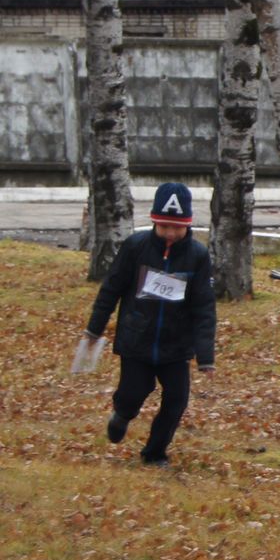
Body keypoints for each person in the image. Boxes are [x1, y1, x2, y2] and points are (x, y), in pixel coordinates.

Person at [83, 182, 217, 468]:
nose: (170, 233)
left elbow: (203, 306)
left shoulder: (197, 256)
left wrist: (205, 355)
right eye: (164, 226)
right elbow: (112, 289)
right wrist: (95, 328)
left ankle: (155, 452)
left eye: (177, 228)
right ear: (154, 222)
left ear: (188, 226)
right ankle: (122, 414)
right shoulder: (135, 247)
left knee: (176, 401)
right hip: (136, 340)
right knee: (133, 392)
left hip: (176, 345)